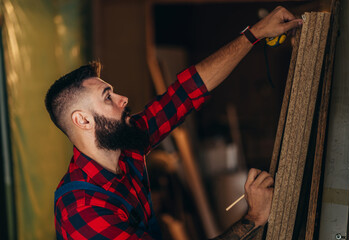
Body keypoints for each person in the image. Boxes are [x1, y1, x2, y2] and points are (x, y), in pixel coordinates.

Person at [45, 6, 302, 240]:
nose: (122, 99)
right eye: (107, 97)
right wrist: (253, 218)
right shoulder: (82, 209)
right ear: (82, 120)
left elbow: (185, 93)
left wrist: (254, 33)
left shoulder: (125, 146)